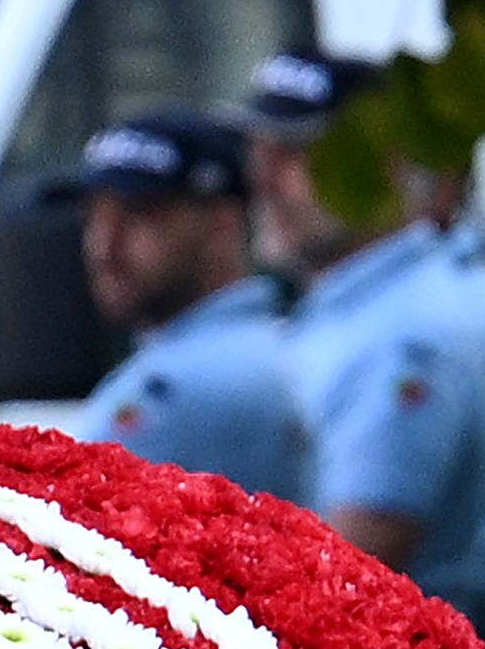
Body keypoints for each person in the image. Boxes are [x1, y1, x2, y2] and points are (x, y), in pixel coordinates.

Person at [241, 49, 485, 649]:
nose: (268, 181)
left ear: (387, 165)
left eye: (299, 156)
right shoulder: (393, 299)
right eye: (262, 154)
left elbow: (357, 559)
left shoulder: (404, 333)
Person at [61, 109, 308, 501]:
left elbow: (54, 526)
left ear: (222, 226)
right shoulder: (285, 342)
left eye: (140, 215)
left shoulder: (175, 388)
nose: (103, 245)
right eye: (94, 215)